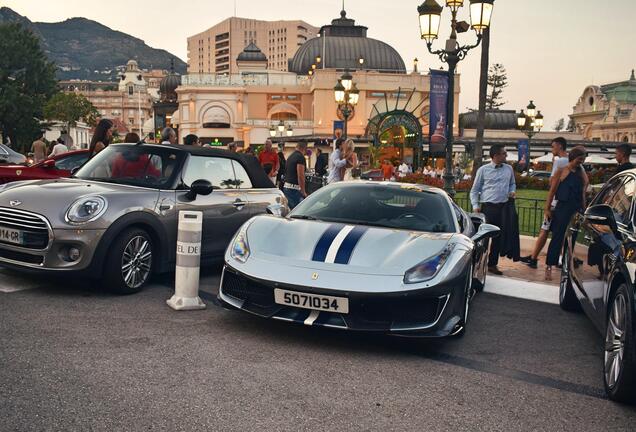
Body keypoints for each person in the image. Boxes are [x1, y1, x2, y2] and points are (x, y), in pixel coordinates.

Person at [521, 137, 571, 269]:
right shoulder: (571, 161)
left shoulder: (559, 161)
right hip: (565, 203)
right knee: (560, 233)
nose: (552, 149)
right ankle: (559, 259)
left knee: (544, 230)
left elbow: (552, 182)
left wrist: (547, 206)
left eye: (553, 146)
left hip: (554, 202)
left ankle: (533, 258)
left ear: (560, 146)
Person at [470, 144, 516, 275]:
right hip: (488, 208)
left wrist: (512, 191)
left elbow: (512, 183)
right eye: (504, 153)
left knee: (498, 238)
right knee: (483, 238)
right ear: (495, 155)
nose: (506, 155)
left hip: (504, 208)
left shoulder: (509, 169)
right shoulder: (483, 170)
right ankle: (477, 262)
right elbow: (474, 190)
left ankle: (492, 264)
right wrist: (475, 206)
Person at [544, 146, 588, 281]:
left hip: (576, 208)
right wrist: (547, 209)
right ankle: (549, 266)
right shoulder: (562, 171)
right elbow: (552, 191)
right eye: (579, 159)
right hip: (562, 208)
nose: (581, 162)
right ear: (573, 157)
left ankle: (566, 265)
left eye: (583, 159)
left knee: (572, 239)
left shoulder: (580, 172)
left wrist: (584, 208)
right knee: (557, 237)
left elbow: (584, 189)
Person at [283, 141, 308, 209]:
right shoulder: (300, 157)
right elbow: (300, 175)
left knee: (290, 211)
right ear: (304, 149)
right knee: (300, 210)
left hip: (286, 187)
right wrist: (303, 191)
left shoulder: (290, 157)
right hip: (294, 189)